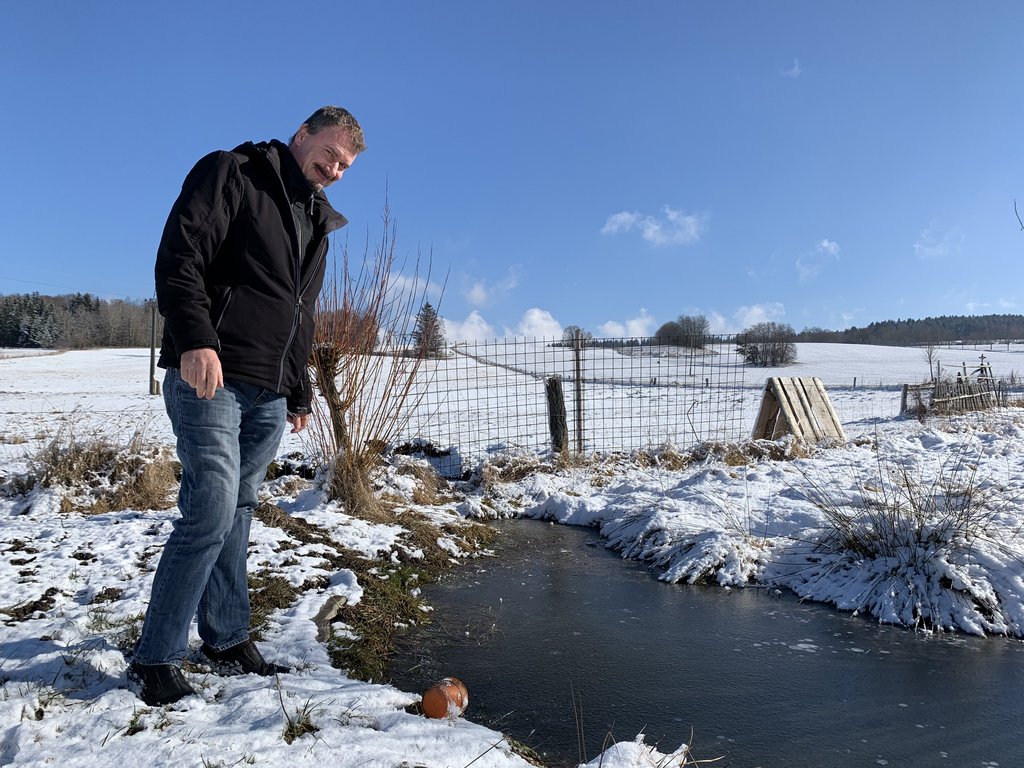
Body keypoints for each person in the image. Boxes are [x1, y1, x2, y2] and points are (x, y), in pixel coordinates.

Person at [130, 106, 366, 707]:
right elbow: (178, 257)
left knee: (238, 511)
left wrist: (300, 387)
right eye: (330, 154)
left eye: (344, 165)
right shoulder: (231, 173)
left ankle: (226, 638)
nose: (334, 170)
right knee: (209, 510)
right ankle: (155, 657)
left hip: (268, 390)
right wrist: (197, 340)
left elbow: (300, 314)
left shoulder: (318, 219)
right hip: (212, 373)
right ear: (302, 134)